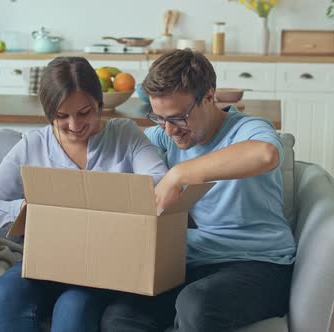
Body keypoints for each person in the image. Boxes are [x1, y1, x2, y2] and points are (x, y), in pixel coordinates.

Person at [101, 49, 297, 332]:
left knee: (196, 305)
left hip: (257, 263)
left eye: (179, 117)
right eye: (159, 117)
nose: (169, 130)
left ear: (208, 96)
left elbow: (265, 154)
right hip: (188, 262)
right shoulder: (163, 136)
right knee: (119, 315)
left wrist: (179, 174)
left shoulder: (247, 129)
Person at [0, 56, 168, 332]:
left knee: (73, 307)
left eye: (85, 112)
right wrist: (26, 208)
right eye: (62, 116)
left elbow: (161, 183)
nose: (75, 125)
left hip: (104, 265)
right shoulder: (33, 145)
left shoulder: (125, 135)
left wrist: (111, 196)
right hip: (46, 260)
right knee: (7, 293)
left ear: (99, 104)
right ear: (48, 112)